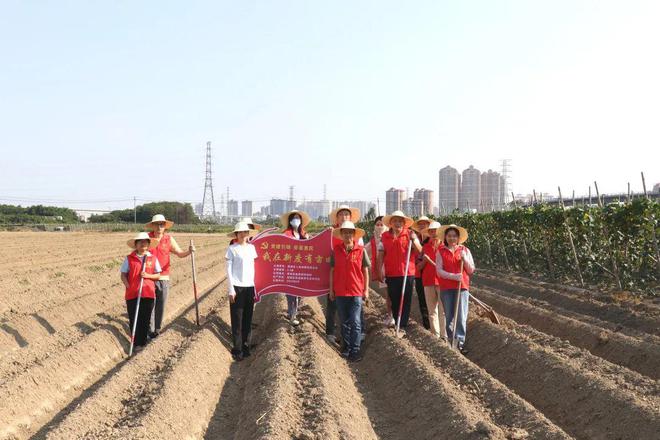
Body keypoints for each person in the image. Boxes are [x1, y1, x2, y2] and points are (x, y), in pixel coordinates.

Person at [145, 214, 194, 339]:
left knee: (161, 305)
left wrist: (189, 251)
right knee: (150, 304)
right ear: (153, 226)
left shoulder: (169, 239)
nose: (159, 227)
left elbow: (179, 253)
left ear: (165, 226)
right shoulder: (147, 238)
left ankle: (157, 329)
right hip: (149, 277)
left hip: (163, 277)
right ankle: (149, 331)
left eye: (161, 224)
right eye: (157, 224)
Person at [329, 221, 370, 362]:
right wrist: (331, 290)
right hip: (340, 291)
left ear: (354, 235)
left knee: (355, 321)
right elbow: (332, 271)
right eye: (345, 232)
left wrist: (366, 290)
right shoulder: (336, 251)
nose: (348, 235)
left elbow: (365, 271)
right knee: (344, 322)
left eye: (350, 232)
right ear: (341, 235)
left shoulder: (361, 250)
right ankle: (345, 348)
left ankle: (355, 350)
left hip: (356, 291)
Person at [376, 210, 422, 330]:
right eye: (395, 221)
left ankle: (403, 324)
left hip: (407, 272)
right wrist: (379, 270)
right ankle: (397, 320)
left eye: (400, 221)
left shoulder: (410, 234)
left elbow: (419, 251)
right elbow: (380, 255)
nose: (397, 223)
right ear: (390, 223)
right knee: (394, 298)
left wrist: (414, 240)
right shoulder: (384, 237)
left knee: (406, 298)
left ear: (404, 223)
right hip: (391, 273)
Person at [436, 224, 475, 353]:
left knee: (461, 316)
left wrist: (464, 259)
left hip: (462, 287)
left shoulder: (465, 250)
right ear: (445, 237)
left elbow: (471, 270)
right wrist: (453, 276)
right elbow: (439, 271)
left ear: (458, 238)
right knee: (449, 316)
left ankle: (460, 343)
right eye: (449, 236)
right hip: (447, 288)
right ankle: (451, 341)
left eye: (454, 236)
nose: (452, 238)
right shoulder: (441, 251)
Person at [120, 232, 161, 352]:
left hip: (148, 293)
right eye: (140, 242)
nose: (143, 244)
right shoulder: (129, 258)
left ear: (148, 244)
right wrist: (128, 286)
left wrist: (147, 275)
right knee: (134, 318)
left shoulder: (152, 258)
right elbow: (123, 275)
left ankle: (142, 343)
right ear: (136, 245)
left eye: (145, 242)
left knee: (145, 319)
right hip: (132, 294)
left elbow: (158, 275)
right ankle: (136, 342)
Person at [326, 205, 361, 344]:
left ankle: (356, 338)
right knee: (332, 304)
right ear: (337, 218)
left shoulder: (356, 237)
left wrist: (364, 288)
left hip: (352, 281)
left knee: (354, 313)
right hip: (333, 273)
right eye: (341, 215)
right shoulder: (330, 233)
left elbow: (362, 264)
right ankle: (330, 332)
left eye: (347, 214)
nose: (344, 217)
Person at [225, 222, 258, 361]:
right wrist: (231, 289)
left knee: (248, 318)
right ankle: (237, 349)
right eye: (240, 232)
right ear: (236, 234)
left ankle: (246, 346)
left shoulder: (252, 248)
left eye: (245, 232)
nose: (243, 235)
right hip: (237, 287)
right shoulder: (232, 249)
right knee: (237, 319)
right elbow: (228, 271)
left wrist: (255, 286)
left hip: (249, 286)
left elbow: (253, 268)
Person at [418, 221, 448, 340]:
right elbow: (418, 266)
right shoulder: (424, 247)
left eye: (435, 230)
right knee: (432, 311)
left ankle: (444, 336)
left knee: (443, 310)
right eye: (431, 231)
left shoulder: (445, 248)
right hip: (428, 281)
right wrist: (425, 261)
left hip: (442, 282)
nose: (433, 233)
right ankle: (435, 336)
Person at [281, 209, 311, 326]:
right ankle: (292, 314)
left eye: (298, 218)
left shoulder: (304, 234)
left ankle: (292, 311)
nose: (296, 220)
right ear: (290, 221)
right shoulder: (286, 234)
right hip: (290, 268)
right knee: (290, 292)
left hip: (301, 268)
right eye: (294, 218)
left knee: (298, 293)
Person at [365, 216, 392, 326]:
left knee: (394, 294)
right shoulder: (372, 242)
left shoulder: (389, 238)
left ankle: (397, 315)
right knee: (388, 294)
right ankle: (390, 315)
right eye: (378, 225)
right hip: (382, 271)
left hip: (393, 269)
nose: (380, 227)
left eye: (382, 224)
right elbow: (363, 252)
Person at [412, 216, 432, 330]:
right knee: (423, 300)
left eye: (424, 224)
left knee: (433, 301)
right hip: (419, 274)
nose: (422, 226)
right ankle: (427, 325)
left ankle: (436, 327)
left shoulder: (433, 239)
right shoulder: (415, 239)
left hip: (431, 274)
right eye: (420, 224)